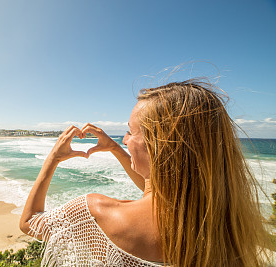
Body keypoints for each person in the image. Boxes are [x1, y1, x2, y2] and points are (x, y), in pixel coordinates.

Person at [20, 80, 271, 266]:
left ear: (158, 147)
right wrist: (116, 149)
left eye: (130, 132)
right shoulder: (221, 224)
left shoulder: (99, 212)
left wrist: (53, 158)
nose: (125, 139)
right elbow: (163, 190)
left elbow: (30, 222)